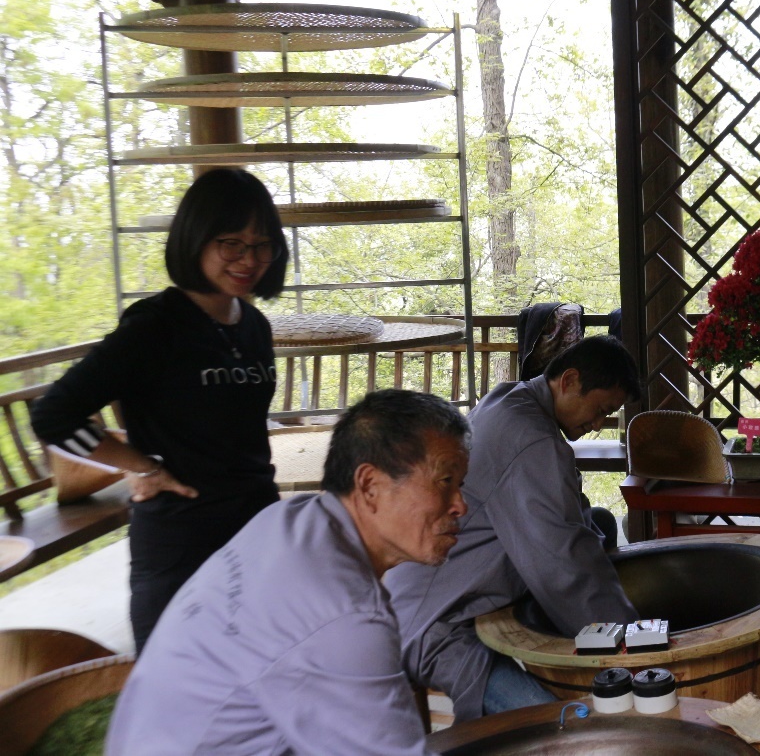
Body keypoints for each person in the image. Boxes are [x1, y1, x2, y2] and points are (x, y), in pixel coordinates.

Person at [106, 389, 469, 755]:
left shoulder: (288, 520)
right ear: (370, 486)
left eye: (460, 485)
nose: (460, 505)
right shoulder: (343, 616)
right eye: (445, 481)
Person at [31, 168, 289, 652]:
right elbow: (54, 416)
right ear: (196, 238)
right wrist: (141, 466)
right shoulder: (155, 327)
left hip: (255, 525)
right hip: (180, 536)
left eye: (262, 245)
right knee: (172, 672)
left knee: (258, 666)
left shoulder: (253, 325)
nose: (249, 259)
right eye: (231, 243)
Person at [385, 335, 641, 724]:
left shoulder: (510, 399)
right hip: (435, 621)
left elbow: (569, 519)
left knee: (599, 522)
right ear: (569, 380)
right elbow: (562, 561)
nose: (597, 424)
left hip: (427, 591)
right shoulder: (530, 437)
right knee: (566, 728)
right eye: (600, 410)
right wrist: (628, 639)